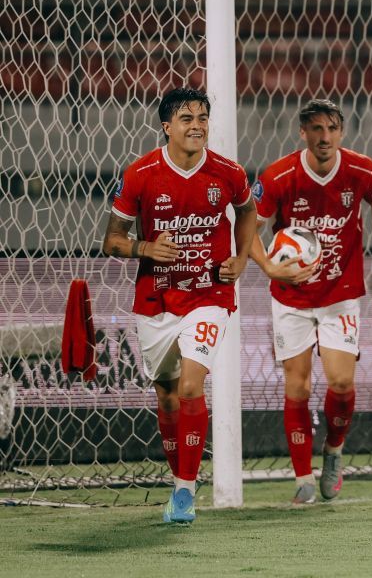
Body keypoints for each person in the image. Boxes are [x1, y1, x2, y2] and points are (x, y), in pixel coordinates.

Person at [101, 87, 257, 524]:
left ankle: (186, 494)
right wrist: (146, 247)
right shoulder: (140, 174)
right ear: (167, 126)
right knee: (167, 396)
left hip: (209, 295)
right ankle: (179, 480)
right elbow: (111, 241)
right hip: (156, 301)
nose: (197, 125)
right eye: (187, 118)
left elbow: (248, 211)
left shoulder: (228, 172)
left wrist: (241, 258)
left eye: (203, 117)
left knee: (192, 386)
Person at [250, 99, 372, 505]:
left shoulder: (361, 169)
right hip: (292, 297)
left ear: (342, 132)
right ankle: (302, 477)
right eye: (315, 129)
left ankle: (333, 451)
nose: (324, 137)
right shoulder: (278, 176)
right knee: (296, 387)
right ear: (302, 133)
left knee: (341, 381)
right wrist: (267, 266)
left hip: (341, 294)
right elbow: (248, 226)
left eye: (331, 128)